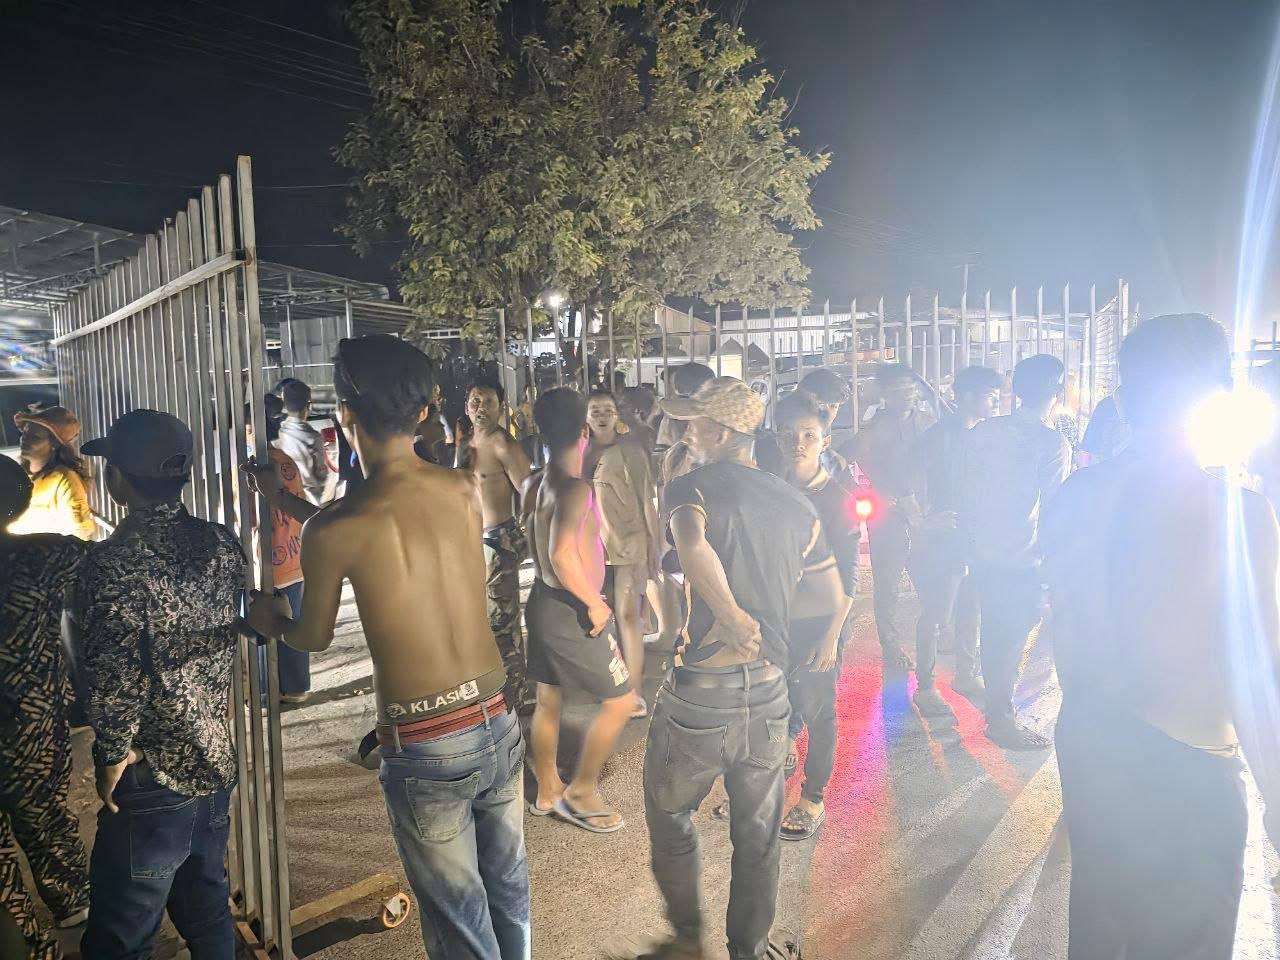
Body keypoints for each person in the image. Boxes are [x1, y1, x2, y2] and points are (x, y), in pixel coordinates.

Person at [246, 335, 529, 960]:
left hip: (424, 739)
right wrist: (285, 499)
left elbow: (313, 635)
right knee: (508, 889)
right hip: (495, 713)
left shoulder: (336, 528)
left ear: (344, 413)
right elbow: (398, 522)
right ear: (423, 412)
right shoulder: (462, 488)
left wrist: (271, 620)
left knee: (460, 917)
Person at [1042, 313, 1279, 959]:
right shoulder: (1238, 515)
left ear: (1126, 397)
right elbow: (1256, 674)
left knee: (1103, 935)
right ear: (1217, 395)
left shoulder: (1073, 497)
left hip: (1091, 744)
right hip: (1190, 769)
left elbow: (1068, 627)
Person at [639, 377, 847, 960]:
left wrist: (731, 615)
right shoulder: (798, 506)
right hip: (770, 693)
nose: (684, 433)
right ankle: (748, 950)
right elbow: (828, 596)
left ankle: (687, 936)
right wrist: (771, 613)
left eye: (691, 423)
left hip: (702, 694)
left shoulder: (690, 488)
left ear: (717, 429)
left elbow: (691, 543)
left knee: (670, 813)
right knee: (757, 836)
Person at [72, 409, 244, 959]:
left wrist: (110, 757)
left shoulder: (110, 565)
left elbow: (115, 676)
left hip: (150, 774)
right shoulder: (221, 542)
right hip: (212, 757)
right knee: (208, 913)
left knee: (121, 938)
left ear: (118, 479)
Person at [524, 388, 634, 832]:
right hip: (572, 608)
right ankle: (581, 791)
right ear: (584, 431)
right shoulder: (575, 489)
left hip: (542, 602)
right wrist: (594, 603)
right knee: (621, 701)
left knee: (548, 699)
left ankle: (547, 789)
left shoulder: (534, 482)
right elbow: (561, 554)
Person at [0, 456, 90, 960]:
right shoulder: (46, 554)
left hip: (25, 714)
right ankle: (72, 901)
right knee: (44, 814)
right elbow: (112, 565)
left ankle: (23, 936)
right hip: (31, 717)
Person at [958, 354, 1068, 749]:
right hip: (1023, 557)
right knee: (1011, 637)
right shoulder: (1050, 442)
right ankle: (1001, 719)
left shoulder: (985, 431)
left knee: (994, 632)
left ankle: (998, 710)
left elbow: (965, 488)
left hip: (983, 550)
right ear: (1058, 390)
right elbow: (1054, 509)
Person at [767, 390, 858, 841]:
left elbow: (849, 579)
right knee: (769, 703)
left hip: (821, 623)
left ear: (825, 440)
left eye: (808, 434)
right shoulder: (769, 490)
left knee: (820, 712)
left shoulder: (838, 500)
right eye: (788, 434)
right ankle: (770, 777)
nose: (797, 443)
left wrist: (831, 637)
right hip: (775, 621)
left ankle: (813, 798)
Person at [909, 365, 1003, 713]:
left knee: (971, 606)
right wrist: (923, 519)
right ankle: (925, 685)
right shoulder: (938, 437)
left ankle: (966, 673)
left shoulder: (985, 435)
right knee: (938, 612)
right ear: (966, 397)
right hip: (945, 537)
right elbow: (906, 480)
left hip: (975, 533)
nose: (995, 403)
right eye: (989, 396)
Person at [847, 364, 936, 673]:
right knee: (888, 587)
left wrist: (931, 393)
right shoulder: (873, 431)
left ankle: (933, 639)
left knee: (931, 582)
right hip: (889, 518)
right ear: (885, 394)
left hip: (926, 514)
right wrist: (863, 492)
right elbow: (834, 461)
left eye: (911, 388)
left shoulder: (929, 422)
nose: (906, 395)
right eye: (898, 390)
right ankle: (891, 647)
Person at [457, 377, 535, 715]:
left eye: (488, 402)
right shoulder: (465, 445)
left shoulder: (503, 443)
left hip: (498, 541)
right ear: (466, 407)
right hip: (470, 543)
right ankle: (492, 689)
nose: (481, 408)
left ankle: (517, 695)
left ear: (501, 408)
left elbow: (530, 493)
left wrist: (518, 539)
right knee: (479, 622)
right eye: (475, 401)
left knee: (503, 625)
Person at [585, 389, 662, 719]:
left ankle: (634, 691)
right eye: (595, 410)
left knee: (628, 618)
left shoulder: (631, 451)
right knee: (601, 621)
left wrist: (655, 546)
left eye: (608, 410)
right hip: (593, 549)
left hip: (629, 546)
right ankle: (612, 686)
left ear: (617, 415)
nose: (602, 416)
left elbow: (648, 501)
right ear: (586, 417)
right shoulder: (582, 454)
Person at [248, 395, 311, 704]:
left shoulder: (251, 469)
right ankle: (296, 687)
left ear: (250, 428)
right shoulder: (286, 460)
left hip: (266, 561)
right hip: (294, 553)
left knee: (263, 624)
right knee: (293, 622)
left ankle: (265, 692)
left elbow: (246, 518)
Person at [11, 406, 94, 540]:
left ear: (54, 444)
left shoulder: (65, 480)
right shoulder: (19, 476)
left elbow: (80, 532)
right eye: (24, 433)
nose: (25, 439)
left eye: (35, 437)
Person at [276, 378, 332, 505]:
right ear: (308, 405)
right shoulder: (313, 438)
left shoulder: (282, 432)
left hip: (290, 495)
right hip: (313, 501)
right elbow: (321, 477)